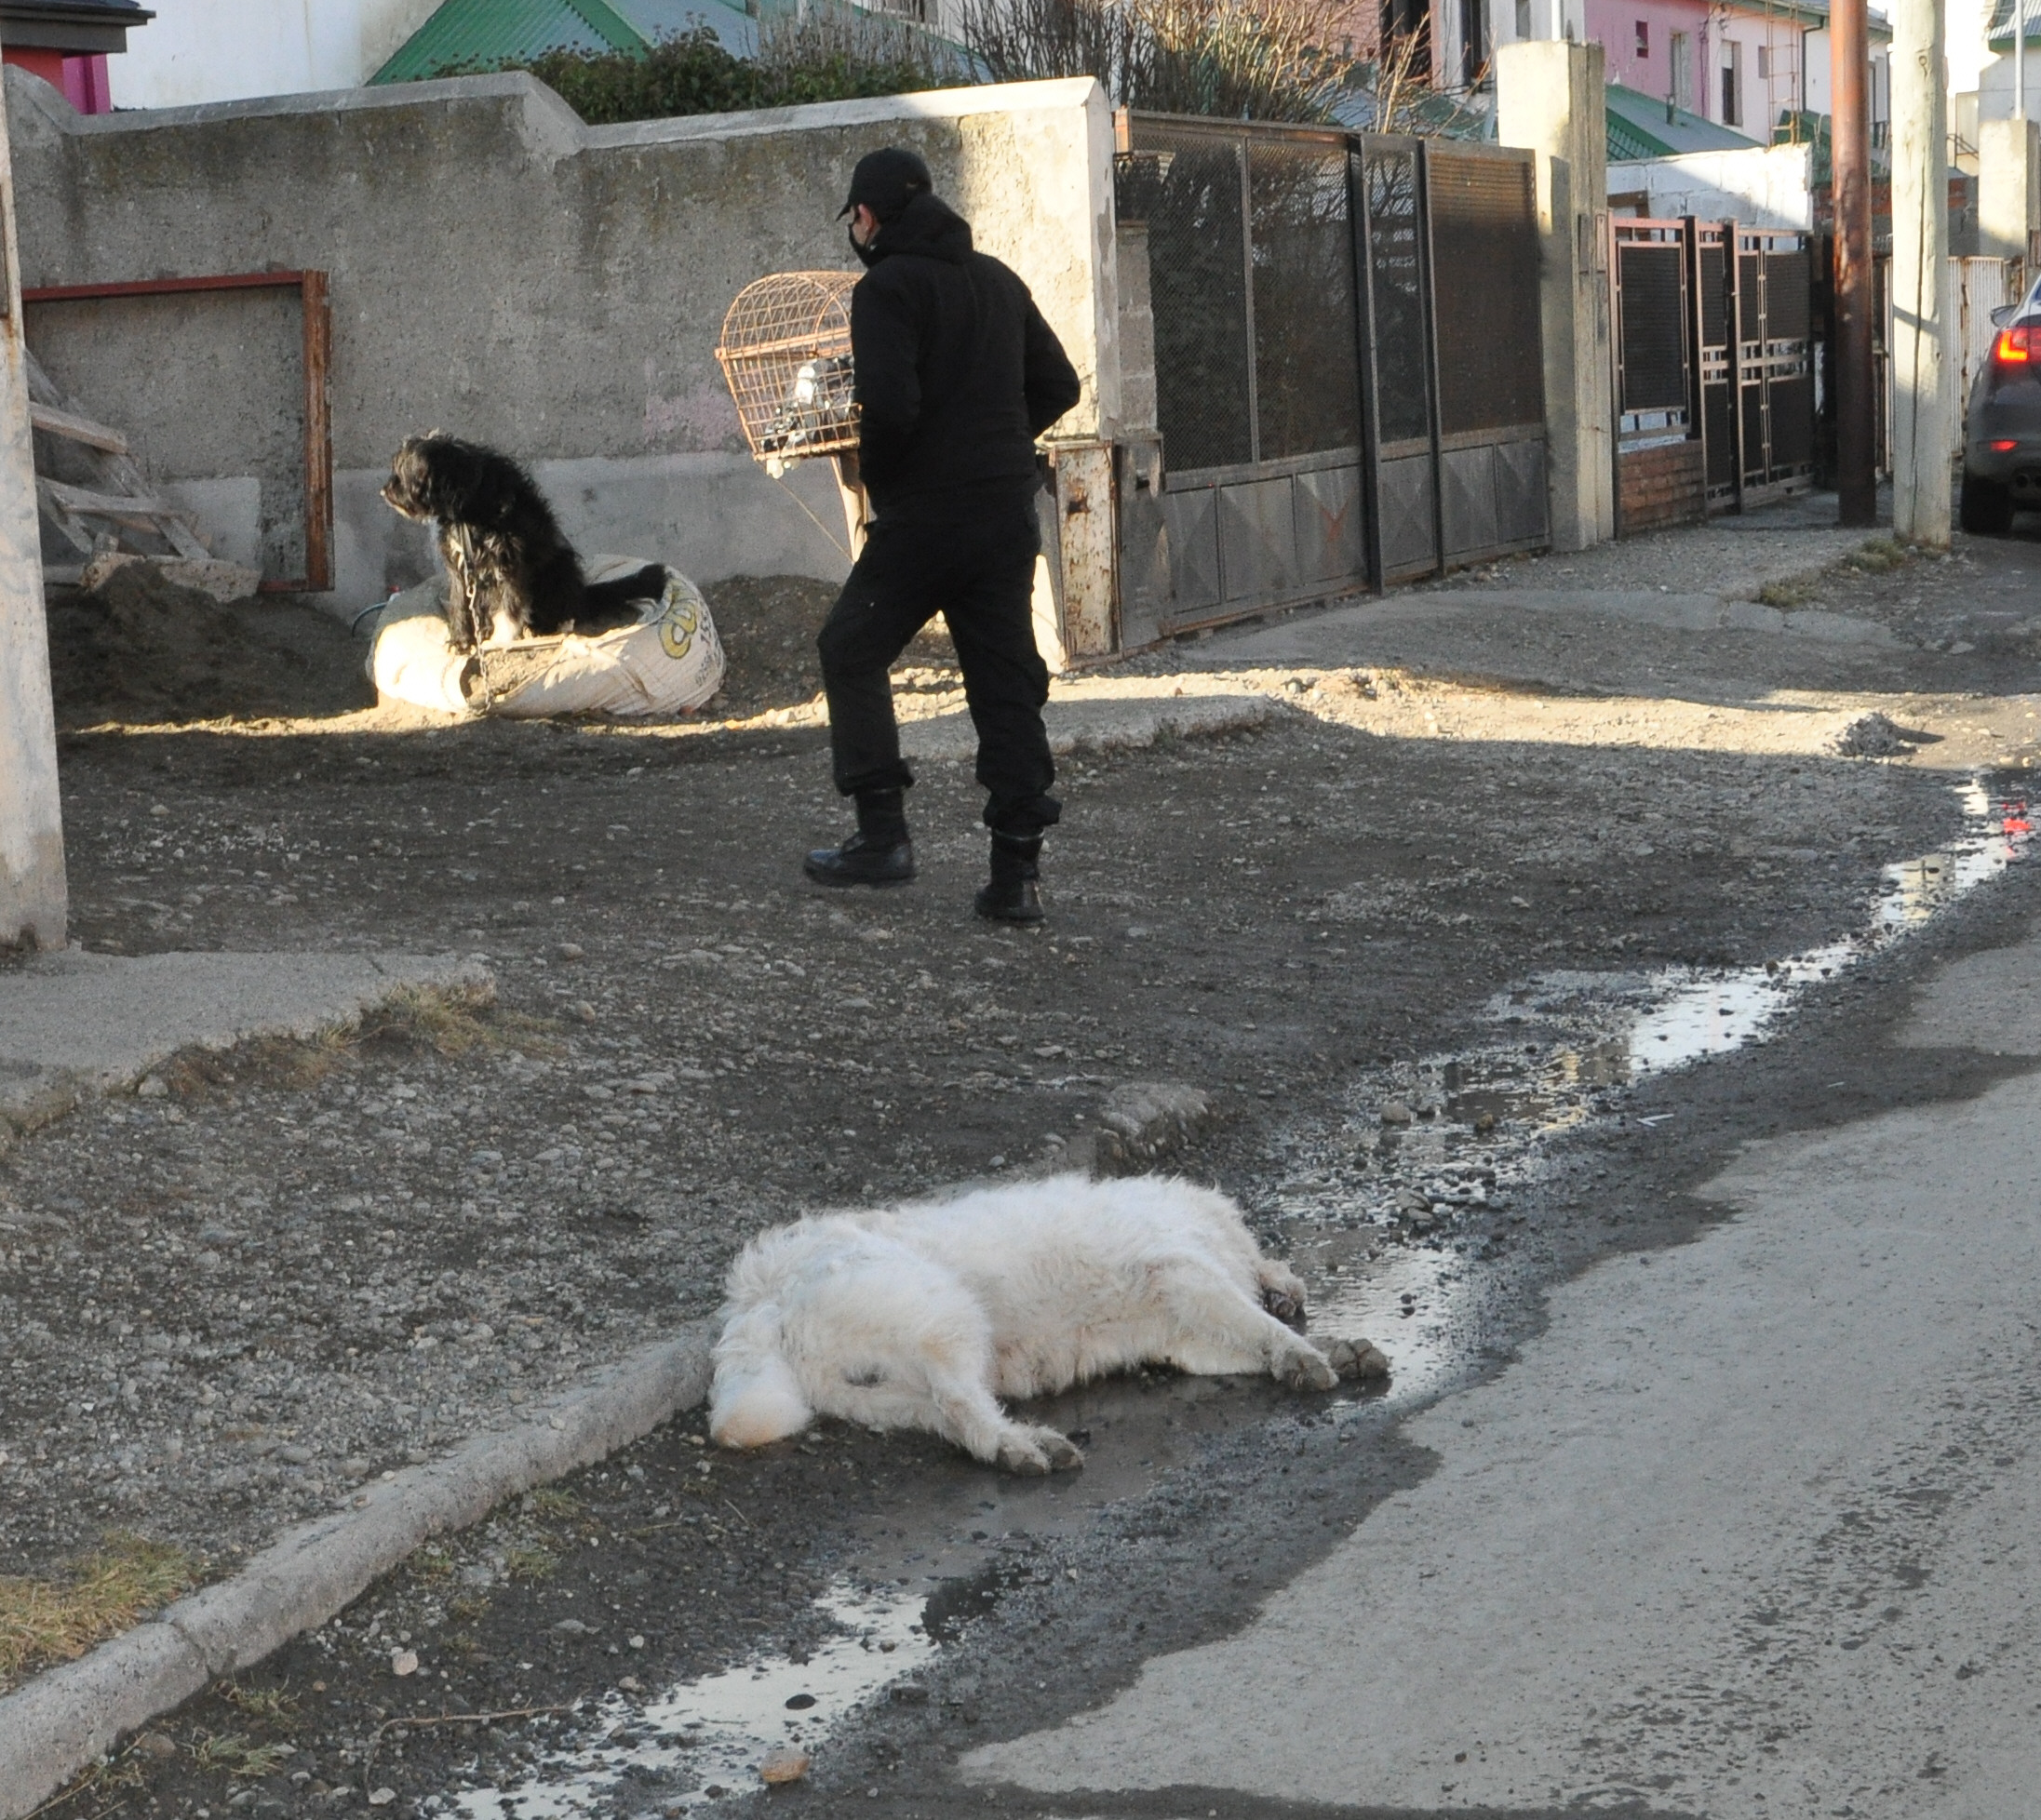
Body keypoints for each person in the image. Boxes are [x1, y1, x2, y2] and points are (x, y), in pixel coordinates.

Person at [802, 146, 1082, 923]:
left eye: (853, 217)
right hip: (1003, 515)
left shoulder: (884, 287)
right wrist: (995, 442)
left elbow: (889, 408)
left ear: (867, 215)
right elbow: (1060, 383)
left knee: (849, 649)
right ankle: (1015, 878)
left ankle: (882, 838)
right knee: (1004, 684)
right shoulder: (996, 278)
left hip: (927, 516)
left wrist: (885, 480)